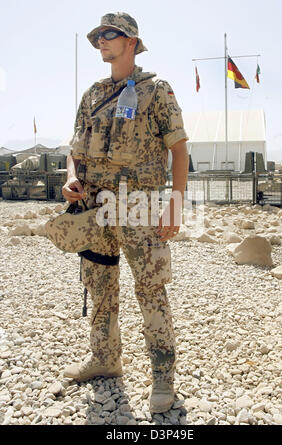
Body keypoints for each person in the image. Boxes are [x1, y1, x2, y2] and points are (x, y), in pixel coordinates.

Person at [62, 12, 189, 414]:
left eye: (109, 35)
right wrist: (70, 178)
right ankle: (105, 358)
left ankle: (163, 373)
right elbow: (75, 150)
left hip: (140, 206)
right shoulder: (93, 95)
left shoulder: (156, 90)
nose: (101, 41)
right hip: (96, 206)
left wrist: (176, 202)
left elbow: (180, 148)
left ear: (131, 41)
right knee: (98, 285)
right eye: (97, 35)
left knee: (150, 288)